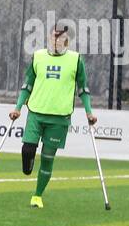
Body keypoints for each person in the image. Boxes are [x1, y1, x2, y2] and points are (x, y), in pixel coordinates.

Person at [8, 24, 97, 208]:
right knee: (27, 151)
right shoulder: (38, 56)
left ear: (67, 41)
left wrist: (89, 112)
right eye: (53, 38)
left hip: (59, 118)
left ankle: (37, 196)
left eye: (60, 38)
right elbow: (27, 85)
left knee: (47, 159)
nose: (56, 41)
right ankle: (29, 170)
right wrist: (18, 108)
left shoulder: (76, 60)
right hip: (36, 113)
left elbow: (83, 89)